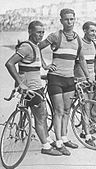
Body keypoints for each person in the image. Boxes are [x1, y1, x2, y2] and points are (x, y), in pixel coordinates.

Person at [5, 20, 62, 156]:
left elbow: (33, 63)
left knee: (43, 114)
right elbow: (9, 64)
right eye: (38, 32)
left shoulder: (35, 46)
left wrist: (45, 68)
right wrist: (20, 83)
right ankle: (46, 146)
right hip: (30, 89)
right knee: (41, 118)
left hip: (36, 86)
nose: (41, 35)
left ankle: (47, 138)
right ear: (30, 31)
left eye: (43, 32)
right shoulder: (26, 47)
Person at [39, 8, 91, 155]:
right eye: (66, 19)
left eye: (72, 19)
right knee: (59, 111)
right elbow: (37, 47)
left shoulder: (78, 39)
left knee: (67, 110)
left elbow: (81, 59)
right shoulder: (55, 36)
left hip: (70, 79)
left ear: (75, 20)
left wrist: (87, 77)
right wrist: (44, 64)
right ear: (61, 20)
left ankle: (64, 137)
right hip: (55, 78)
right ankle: (59, 143)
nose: (69, 22)